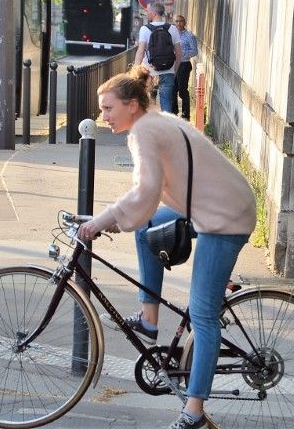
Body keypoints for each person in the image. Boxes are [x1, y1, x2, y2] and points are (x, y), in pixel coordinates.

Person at [79, 66, 256, 429]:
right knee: (145, 228)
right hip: (215, 205)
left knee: (204, 317)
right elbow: (149, 198)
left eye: (108, 108)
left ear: (131, 106)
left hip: (225, 218)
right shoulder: (154, 122)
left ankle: (193, 412)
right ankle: (149, 320)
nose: (103, 116)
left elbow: (145, 190)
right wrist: (115, 218)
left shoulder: (145, 131)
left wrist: (101, 220)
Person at [134, 1, 182, 112]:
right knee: (166, 102)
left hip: (150, 71)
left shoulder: (145, 29)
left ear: (154, 13)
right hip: (168, 71)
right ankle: (166, 127)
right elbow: (179, 53)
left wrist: (135, 70)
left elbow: (140, 52)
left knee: (149, 103)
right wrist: (174, 70)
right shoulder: (172, 29)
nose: (146, 13)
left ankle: (152, 127)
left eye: (148, 11)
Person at [170, 14, 197, 120]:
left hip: (184, 65)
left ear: (184, 23)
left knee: (182, 90)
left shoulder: (189, 35)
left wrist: (180, 53)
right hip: (172, 65)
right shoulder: (171, 35)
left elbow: (194, 51)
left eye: (181, 21)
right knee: (172, 89)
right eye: (176, 21)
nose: (178, 23)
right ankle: (173, 113)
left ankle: (186, 115)